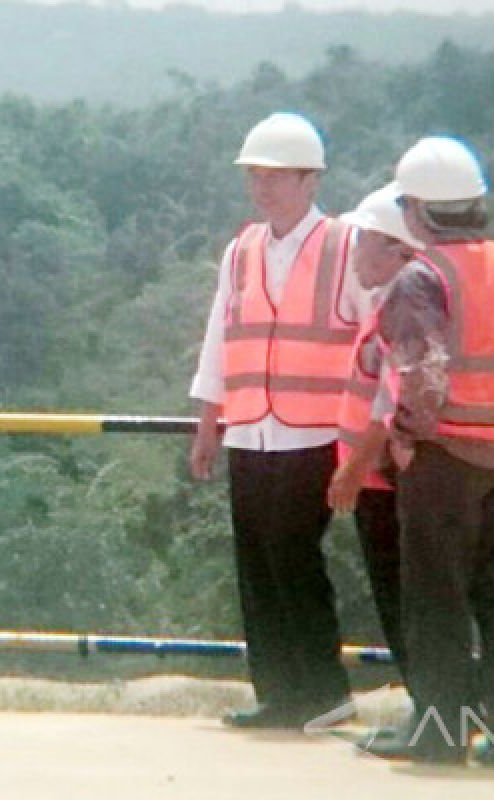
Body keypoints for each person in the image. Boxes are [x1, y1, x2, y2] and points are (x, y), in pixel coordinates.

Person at [361, 137, 494, 768]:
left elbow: (424, 378)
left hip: (448, 459)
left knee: (436, 599)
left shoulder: (421, 278)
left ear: (415, 210)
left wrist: (401, 439)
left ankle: (440, 732)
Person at [188, 112, 373, 730]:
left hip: (314, 430)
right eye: (255, 176)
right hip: (250, 428)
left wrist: (369, 431)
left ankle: (322, 691)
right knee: (258, 563)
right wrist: (209, 418)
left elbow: (373, 339)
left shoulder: (344, 246)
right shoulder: (241, 250)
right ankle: (279, 692)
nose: (261, 188)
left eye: (274, 177)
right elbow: (222, 334)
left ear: (309, 180)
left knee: (295, 560)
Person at [326, 183, 427, 687]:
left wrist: (354, 466)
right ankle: (432, 708)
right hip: (378, 480)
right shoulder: (386, 305)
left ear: (397, 251)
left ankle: (434, 710)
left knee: (404, 601)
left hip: (387, 482)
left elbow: (389, 403)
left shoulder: (399, 310)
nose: (355, 250)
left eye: (365, 239)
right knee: (398, 601)